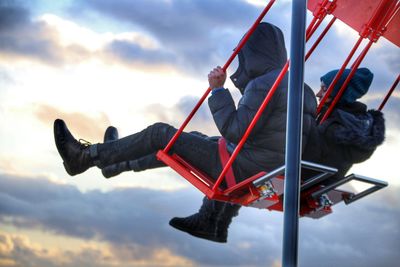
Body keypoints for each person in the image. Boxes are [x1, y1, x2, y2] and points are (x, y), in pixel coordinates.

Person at [53, 22, 318, 242]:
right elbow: (268, 128)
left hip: (243, 170)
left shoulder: (266, 84)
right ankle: (116, 162)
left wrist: (218, 90)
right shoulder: (301, 88)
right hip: (264, 167)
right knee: (187, 143)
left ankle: (85, 157)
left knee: (161, 134)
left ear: (254, 52)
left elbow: (235, 129)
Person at [172, 67, 385, 244]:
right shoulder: (356, 124)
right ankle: (213, 224)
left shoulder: (332, 127)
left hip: (300, 180)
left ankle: (209, 221)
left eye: (324, 88)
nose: (319, 94)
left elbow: (304, 149)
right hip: (316, 182)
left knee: (238, 156)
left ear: (341, 93)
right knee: (221, 146)